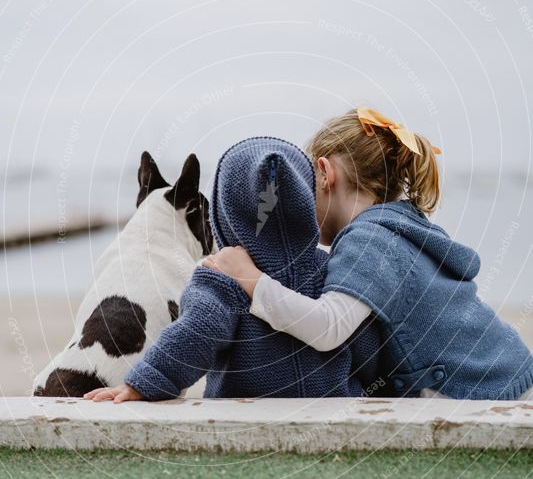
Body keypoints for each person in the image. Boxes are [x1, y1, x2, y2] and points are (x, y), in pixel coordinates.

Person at [204, 108, 533, 400]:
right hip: (507, 373)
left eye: (304, 189)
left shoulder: (368, 240)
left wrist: (250, 278)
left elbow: (327, 327)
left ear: (325, 172)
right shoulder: (395, 226)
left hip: (491, 390)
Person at [85, 136, 381, 402]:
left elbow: (196, 333)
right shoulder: (331, 270)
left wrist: (147, 381)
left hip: (247, 413)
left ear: (223, 213)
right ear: (307, 203)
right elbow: (367, 344)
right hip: (333, 409)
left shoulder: (222, 276)